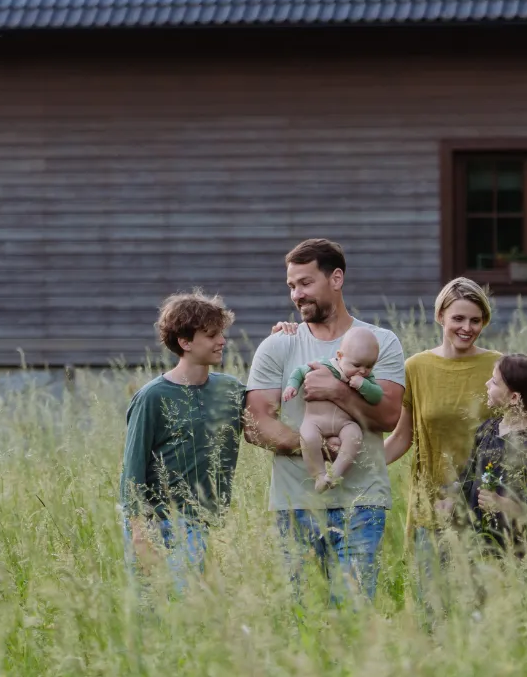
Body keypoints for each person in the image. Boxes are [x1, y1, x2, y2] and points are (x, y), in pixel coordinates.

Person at [245, 239, 406, 602]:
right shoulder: (278, 345)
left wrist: (336, 391)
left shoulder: (380, 342)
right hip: (295, 502)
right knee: (303, 620)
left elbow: (389, 415)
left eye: (305, 283)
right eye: (291, 286)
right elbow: (255, 424)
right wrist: (313, 447)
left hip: (363, 503)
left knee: (352, 619)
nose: (296, 295)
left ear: (336, 279)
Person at [119, 290, 245, 589]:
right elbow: (132, 468)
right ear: (185, 342)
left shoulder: (232, 390)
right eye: (212, 335)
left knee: (189, 612)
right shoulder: (153, 396)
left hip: (203, 523)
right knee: (152, 611)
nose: (222, 341)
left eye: (221, 333)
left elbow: (266, 415)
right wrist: (139, 534)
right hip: (156, 522)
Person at [383, 277, 502, 586]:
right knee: (432, 611)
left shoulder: (499, 366)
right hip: (432, 507)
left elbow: (514, 436)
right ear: (440, 317)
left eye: (476, 320)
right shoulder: (416, 367)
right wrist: (357, 465)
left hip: (486, 507)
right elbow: (401, 438)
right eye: (458, 318)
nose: (467, 327)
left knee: (482, 612)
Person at [442, 353, 527, 569]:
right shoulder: (487, 429)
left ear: (514, 398)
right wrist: (451, 498)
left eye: (494, 382)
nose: (487, 384)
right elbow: (469, 475)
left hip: (515, 555)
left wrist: (501, 503)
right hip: (480, 546)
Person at [282, 327, 383, 492]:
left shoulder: (365, 378)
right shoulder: (324, 365)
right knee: (308, 437)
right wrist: (292, 386)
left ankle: (336, 472)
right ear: (340, 356)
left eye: (369, 366)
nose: (363, 371)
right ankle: (319, 476)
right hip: (315, 421)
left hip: (345, 423)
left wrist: (364, 385)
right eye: (357, 365)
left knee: (355, 436)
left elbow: (377, 396)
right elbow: (299, 371)